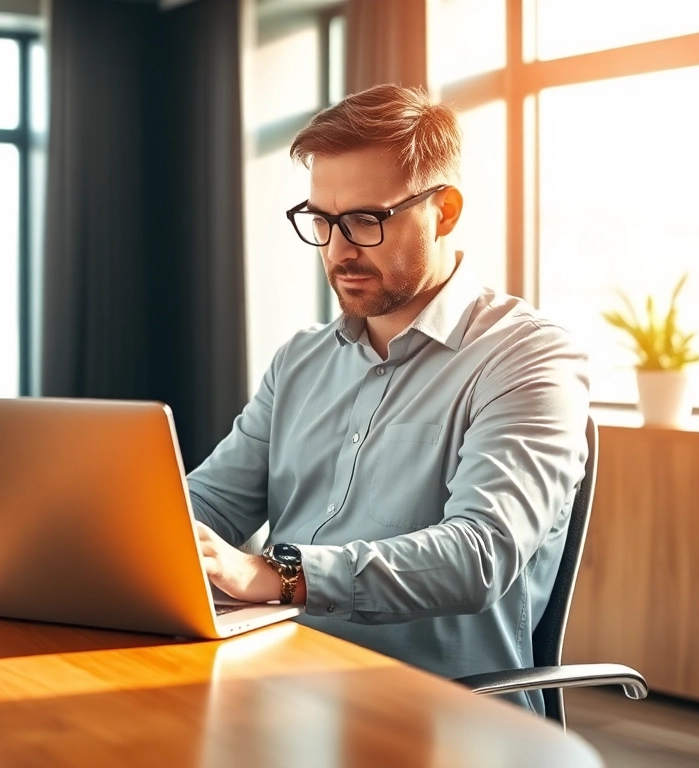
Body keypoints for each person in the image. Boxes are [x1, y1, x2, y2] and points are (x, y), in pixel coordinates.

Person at [188, 83, 590, 715]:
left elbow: (477, 555)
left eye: (366, 221)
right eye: (321, 221)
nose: (338, 249)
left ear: (445, 211)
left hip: (438, 715)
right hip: (280, 684)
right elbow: (210, 502)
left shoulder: (530, 358)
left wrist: (282, 574)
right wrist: (122, 532)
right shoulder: (301, 359)